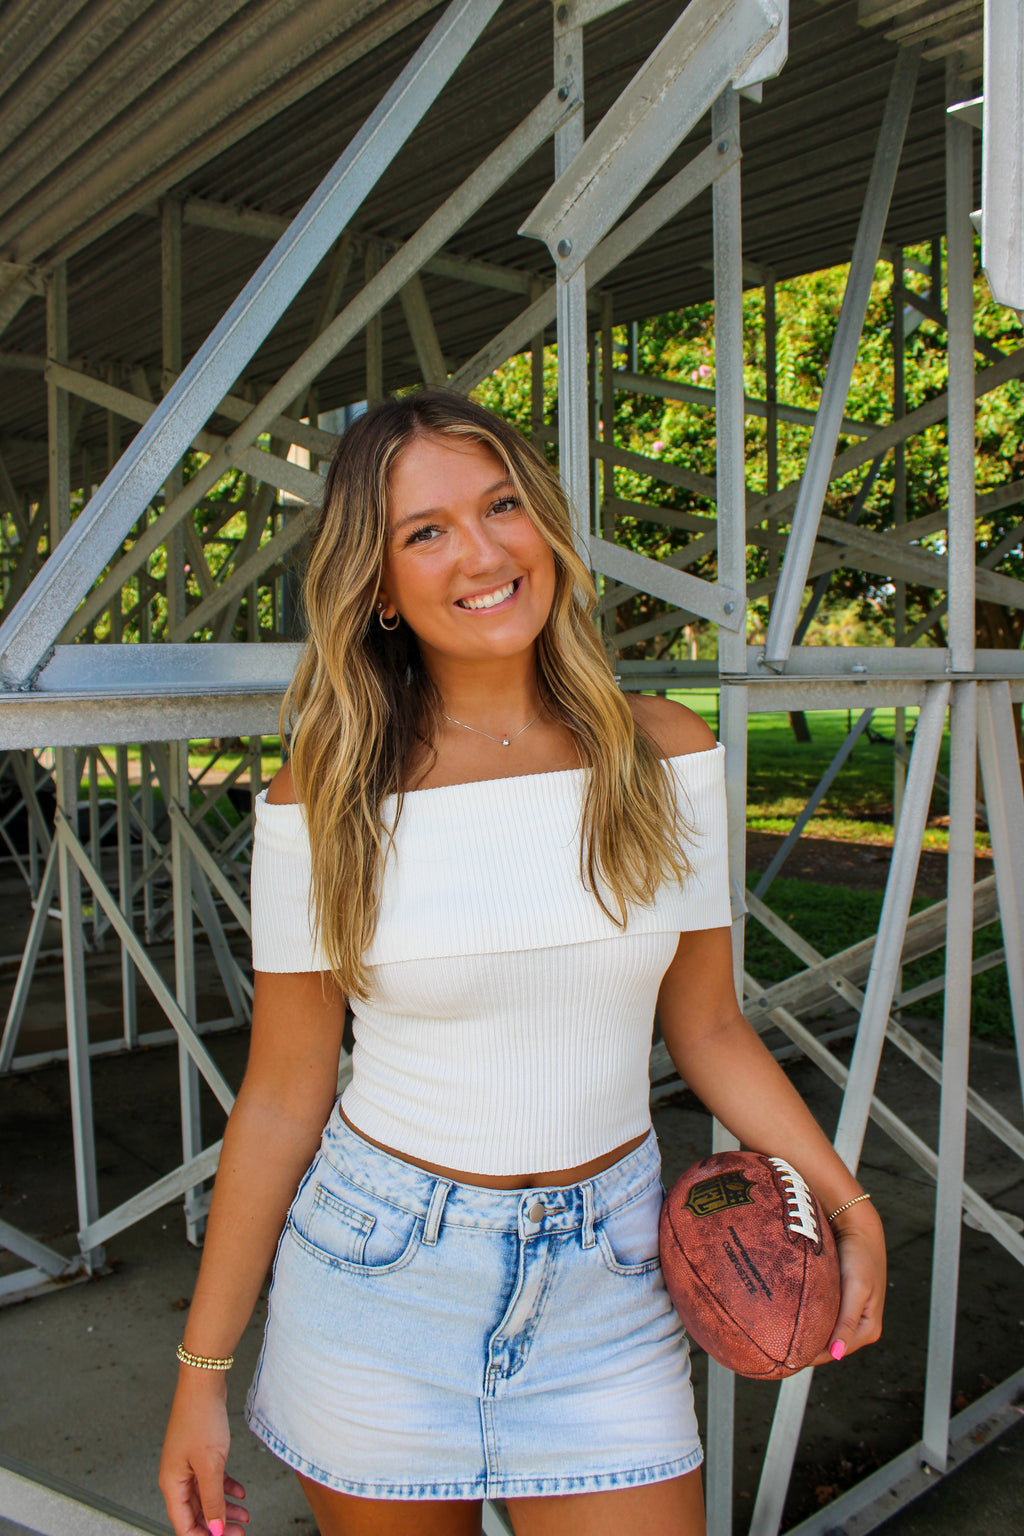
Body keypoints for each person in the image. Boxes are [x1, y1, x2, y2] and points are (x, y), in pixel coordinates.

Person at [159, 390, 885, 1536]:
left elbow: (707, 1029)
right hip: (379, 1279)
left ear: (545, 526)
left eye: (502, 506)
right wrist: (201, 1374)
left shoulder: (664, 754)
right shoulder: (326, 797)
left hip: (611, 1276)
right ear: (379, 585)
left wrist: (847, 1203)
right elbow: (284, 1092)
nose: (483, 552)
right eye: (426, 531)